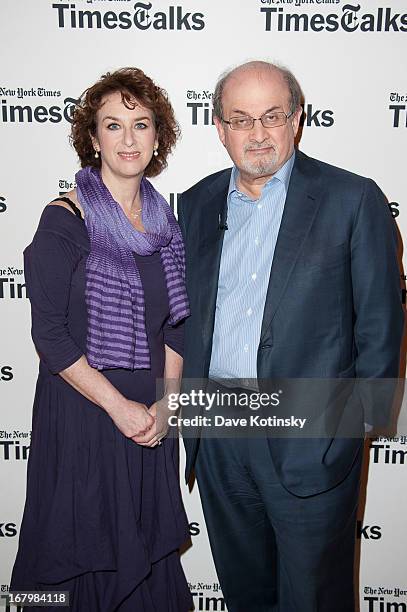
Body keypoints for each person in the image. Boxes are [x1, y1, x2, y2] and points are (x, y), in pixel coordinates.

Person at [178, 60, 404, 612]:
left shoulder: (352, 200)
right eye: (241, 119)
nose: (258, 133)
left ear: (297, 120)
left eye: (273, 116)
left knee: (313, 599)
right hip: (219, 435)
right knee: (245, 593)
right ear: (220, 128)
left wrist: (348, 434)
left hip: (312, 438)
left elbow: (381, 322)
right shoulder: (195, 203)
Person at [11, 67, 193, 612]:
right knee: (83, 559)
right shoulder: (64, 220)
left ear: (158, 136)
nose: (129, 139)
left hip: (150, 423)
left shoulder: (166, 225)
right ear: (93, 139)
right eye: (114, 126)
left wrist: (167, 405)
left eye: (141, 124)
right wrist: (119, 408)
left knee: (148, 566)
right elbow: (50, 335)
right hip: (86, 419)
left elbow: (177, 325)